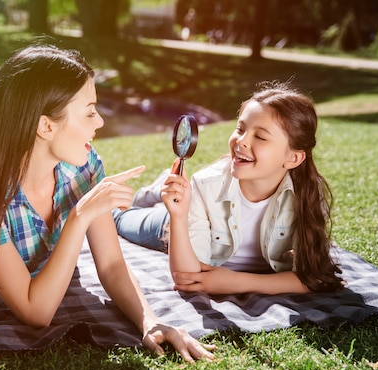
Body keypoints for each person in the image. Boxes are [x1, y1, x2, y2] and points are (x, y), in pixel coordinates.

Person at [0, 44, 215, 362]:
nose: (101, 122)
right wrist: (80, 216)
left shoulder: (84, 163)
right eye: (90, 111)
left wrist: (148, 319)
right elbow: (36, 312)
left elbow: (111, 264)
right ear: (46, 126)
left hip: (14, 151)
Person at [114, 81, 345, 295]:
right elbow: (186, 279)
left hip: (190, 208)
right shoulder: (205, 185)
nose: (242, 141)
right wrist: (178, 215)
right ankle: (152, 194)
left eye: (260, 137)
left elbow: (316, 277)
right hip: (171, 221)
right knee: (119, 219)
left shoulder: (307, 194)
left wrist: (237, 281)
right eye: (240, 129)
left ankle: (157, 189)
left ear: (293, 158)